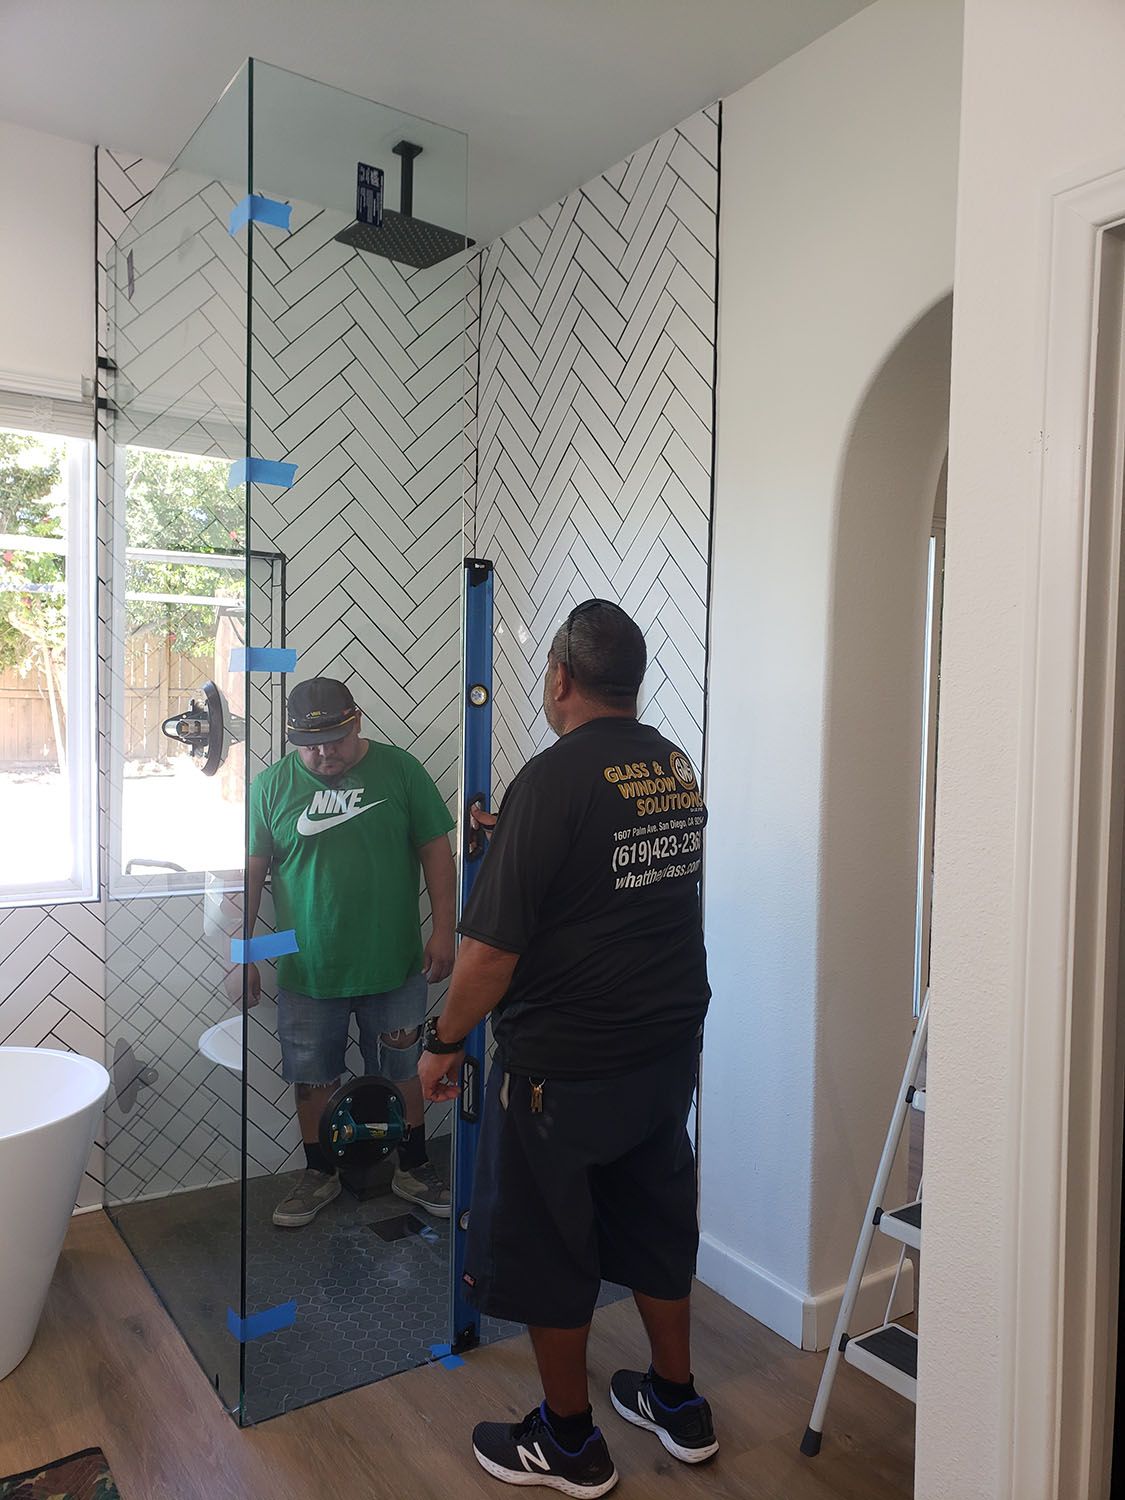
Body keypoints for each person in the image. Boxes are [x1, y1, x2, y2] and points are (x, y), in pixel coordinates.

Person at [419, 601, 716, 1496]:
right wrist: (510, 836)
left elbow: (487, 955)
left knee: (548, 1246)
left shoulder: (549, 782)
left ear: (557, 678)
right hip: (664, 1050)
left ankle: (568, 1441)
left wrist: (442, 1043)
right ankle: (676, 1401)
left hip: (564, 1067)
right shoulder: (670, 765)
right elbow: (613, 872)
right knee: (655, 1218)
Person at [247, 677, 456, 1227]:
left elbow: (438, 853)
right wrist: (243, 954)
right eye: (310, 745)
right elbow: (251, 874)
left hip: (395, 963)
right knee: (313, 1077)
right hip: (308, 969)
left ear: (357, 721)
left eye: (334, 740)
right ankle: (320, 1172)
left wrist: (445, 930)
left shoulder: (401, 771)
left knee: (404, 1068)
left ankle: (414, 1165)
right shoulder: (269, 787)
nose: (324, 754)